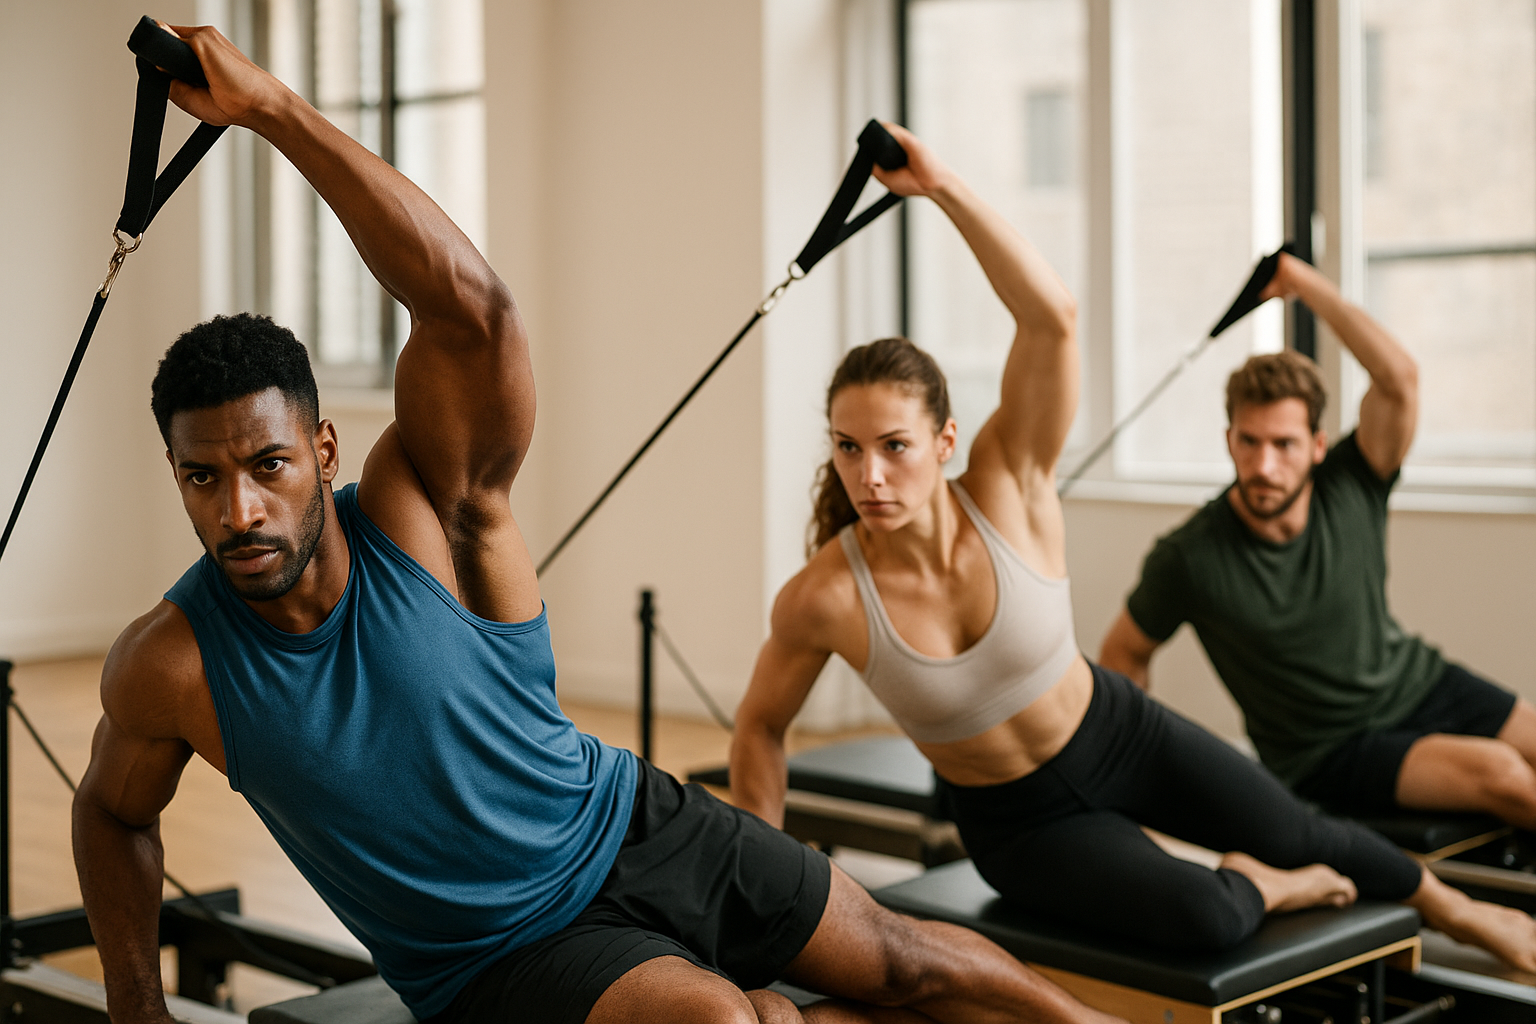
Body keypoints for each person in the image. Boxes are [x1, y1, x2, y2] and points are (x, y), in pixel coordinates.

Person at [70, 23, 1129, 1024]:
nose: (241, 509)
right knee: (718, 1018)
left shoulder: (422, 507)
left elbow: (471, 312)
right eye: (203, 478)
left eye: (268, 465)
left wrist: (274, 110)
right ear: (175, 475)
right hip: (492, 957)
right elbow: (112, 812)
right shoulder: (173, 663)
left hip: (629, 818)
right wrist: (135, 1005)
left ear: (325, 451)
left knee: (902, 959)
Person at [730, 125, 1536, 972]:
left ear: (945, 440)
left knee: (1304, 830)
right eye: (848, 448)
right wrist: (765, 889)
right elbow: (760, 726)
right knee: (1204, 915)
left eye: (894, 445)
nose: (870, 474)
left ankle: (1463, 912)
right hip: (1019, 823)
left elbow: (1051, 319)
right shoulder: (825, 595)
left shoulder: (1009, 484)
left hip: (1119, 732)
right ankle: (1267, 886)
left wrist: (941, 188)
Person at [1097, 255, 1536, 829]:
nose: (1263, 465)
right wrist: (1137, 780)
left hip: (1418, 683)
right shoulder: (1189, 556)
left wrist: (1300, 282)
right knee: (1504, 774)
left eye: (1283, 445)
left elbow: (1399, 378)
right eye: (1249, 442)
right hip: (1329, 751)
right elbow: (1124, 654)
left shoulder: (1355, 480)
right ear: (1229, 440)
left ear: (1318, 445)